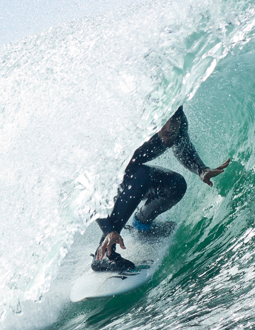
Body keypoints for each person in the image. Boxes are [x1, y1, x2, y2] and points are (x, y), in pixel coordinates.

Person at [93, 106, 230, 272]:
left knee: (176, 185)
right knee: (142, 175)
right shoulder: (131, 131)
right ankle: (104, 255)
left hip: (136, 177)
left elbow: (182, 149)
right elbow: (93, 190)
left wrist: (201, 170)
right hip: (107, 180)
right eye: (165, 121)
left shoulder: (177, 122)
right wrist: (109, 230)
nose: (170, 127)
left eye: (174, 120)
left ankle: (142, 225)